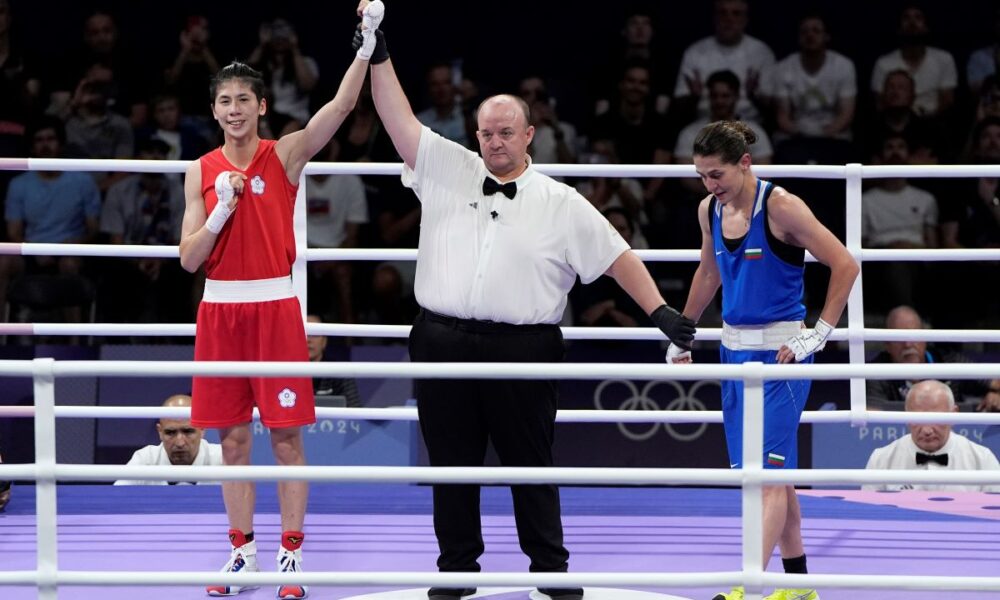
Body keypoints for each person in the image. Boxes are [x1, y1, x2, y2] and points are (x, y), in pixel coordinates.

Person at [355, 12, 695, 600]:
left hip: (524, 345)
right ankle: (457, 570)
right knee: (450, 463)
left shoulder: (561, 201)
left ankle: (549, 571)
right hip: (441, 338)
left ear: (529, 134)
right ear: (476, 133)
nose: (495, 142)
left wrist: (660, 311)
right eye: (487, 133)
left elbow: (618, 256)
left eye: (506, 132)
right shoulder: (445, 167)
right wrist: (377, 52)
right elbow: (395, 117)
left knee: (531, 462)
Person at [178, 3, 384, 597]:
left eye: (244, 100)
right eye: (224, 101)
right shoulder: (200, 170)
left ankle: (291, 553)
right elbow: (189, 258)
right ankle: (242, 553)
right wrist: (221, 208)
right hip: (220, 310)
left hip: (276, 309)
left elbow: (340, 108)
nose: (234, 110)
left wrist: (366, 47)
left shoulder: (286, 153)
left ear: (261, 107)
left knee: (287, 438)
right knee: (233, 440)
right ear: (214, 109)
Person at [668, 120, 859, 600]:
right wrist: (682, 333)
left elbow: (845, 263)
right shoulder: (708, 207)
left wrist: (818, 334)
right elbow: (709, 273)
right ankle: (797, 587)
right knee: (768, 475)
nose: (710, 184)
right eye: (702, 175)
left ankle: (748, 584)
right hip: (733, 352)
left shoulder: (781, 206)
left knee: (767, 478)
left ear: (745, 163)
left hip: (781, 356)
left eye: (717, 175)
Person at [864, 380, 1000, 492]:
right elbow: (868, 515)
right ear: (905, 416)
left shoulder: (982, 460)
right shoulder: (881, 460)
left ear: (954, 414)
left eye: (936, 418)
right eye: (918, 418)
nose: (927, 430)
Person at [865, 305, 1000, 411]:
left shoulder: (948, 361)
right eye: (898, 337)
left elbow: (996, 382)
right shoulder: (877, 371)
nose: (907, 344)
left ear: (925, 338)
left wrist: (996, 397)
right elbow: (872, 417)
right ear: (887, 345)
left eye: (913, 335)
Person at [114, 394, 223, 486]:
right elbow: (114, 501)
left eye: (188, 431)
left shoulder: (223, 459)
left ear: (202, 429)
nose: (180, 443)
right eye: (170, 433)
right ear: (160, 431)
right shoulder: (145, 459)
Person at [307, 314, 361, 407]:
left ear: (324, 341)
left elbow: (355, 409)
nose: (309, 340)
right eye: (304, 333)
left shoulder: (340, 371)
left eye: (314, 334)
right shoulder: (285, 371)